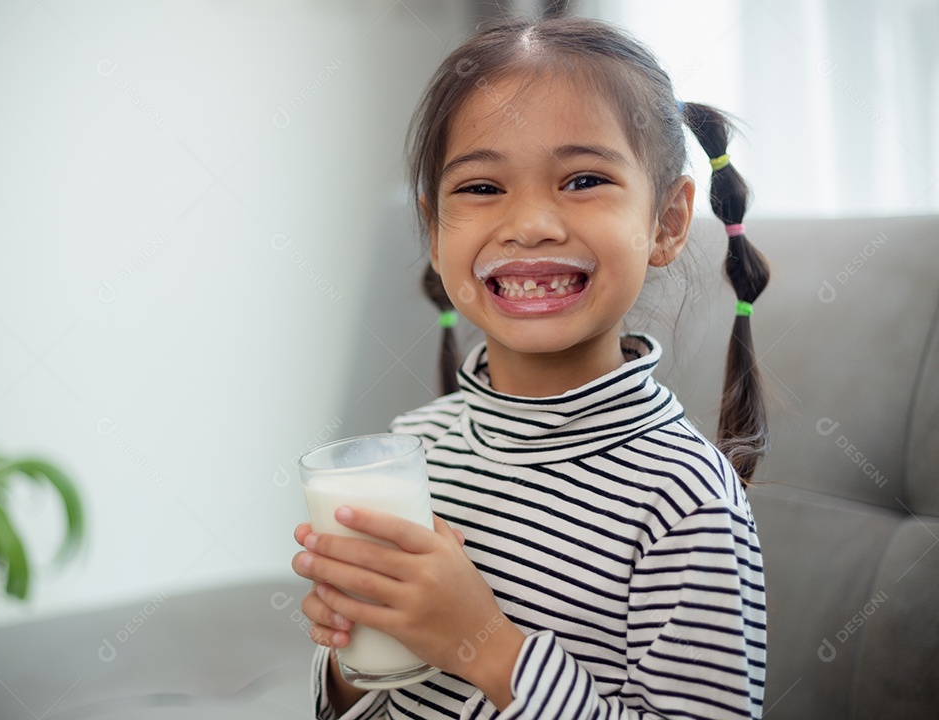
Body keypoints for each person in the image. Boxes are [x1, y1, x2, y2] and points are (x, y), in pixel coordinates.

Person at [292, 14, 769, 720]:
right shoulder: (414, 447)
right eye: (482, 188)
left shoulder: (684, 499)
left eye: (583, 179)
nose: (530, 224)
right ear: (434, 232)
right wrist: (355, 656)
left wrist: (487, 647)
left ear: (667, 223)